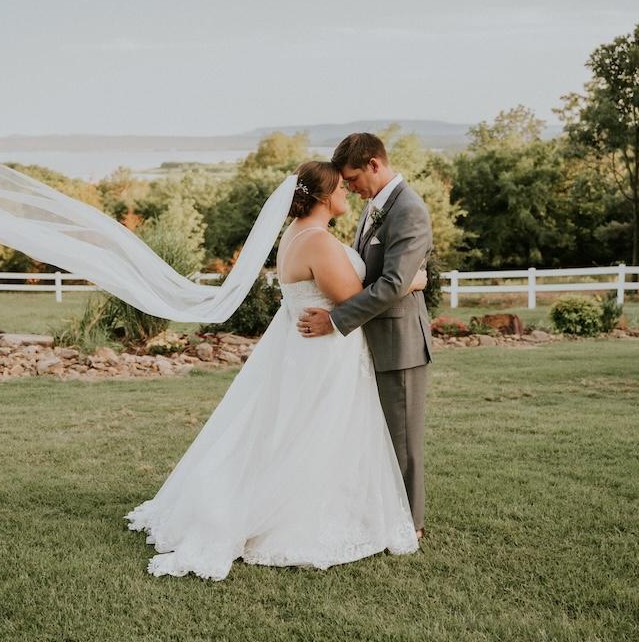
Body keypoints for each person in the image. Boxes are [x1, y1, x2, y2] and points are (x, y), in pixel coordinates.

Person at [126, 159, 428, 580]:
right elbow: (353, 296)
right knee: (315, 433)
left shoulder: (296, 233)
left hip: (302, 348)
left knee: (291, 431)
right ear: (324, 196)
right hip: (324, 352)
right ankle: (295, 513)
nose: (347, 191)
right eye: (341, 187)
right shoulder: (318, 241)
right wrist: (412, 281)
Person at [298, 133, 434, 540]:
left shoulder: (409, 209)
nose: (350, 188)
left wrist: (336, 319)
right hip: (369, 340)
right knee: (376, 437)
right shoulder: (375, 205)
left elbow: (393, 283)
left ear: (375, 164)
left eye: (353, 179)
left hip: (399, 343)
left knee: (401, 440)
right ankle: (378, 513)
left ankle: (410, 525)